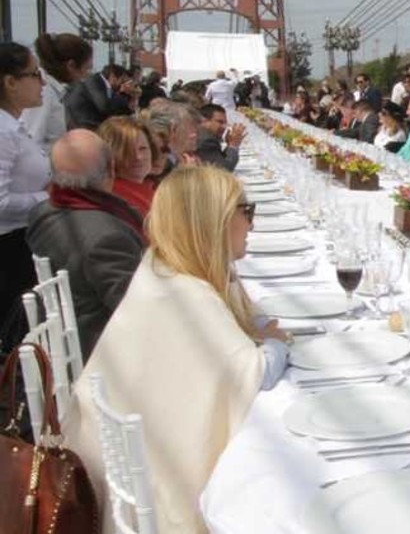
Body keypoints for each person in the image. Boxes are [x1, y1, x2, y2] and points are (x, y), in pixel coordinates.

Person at [63, 165, 289, 532]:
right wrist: (277, 346)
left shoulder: (164, 268)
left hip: (126, 470)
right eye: (245, 211)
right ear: (211, 222)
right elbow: (252, 375)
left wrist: (260, 328)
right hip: (160, 492)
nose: (252, 224)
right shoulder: (186, 296)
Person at [26, 130, 146, 358]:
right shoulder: (108, 236)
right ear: (111, 169)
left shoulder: (41, 213)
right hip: (99, 350)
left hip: (58, 334)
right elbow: (134, 307)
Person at [0, 42, 52, 350]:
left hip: (20, 242)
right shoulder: (4, 133)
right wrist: (46, 198)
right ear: (10, 82)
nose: (42, 82)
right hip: (8, 249)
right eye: (35, 74)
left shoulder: (13, 128)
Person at [23, 32, 93, 152]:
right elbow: (31, 141)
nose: (86, 75)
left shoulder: (53, 92)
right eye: (86, 68)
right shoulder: (44, 93)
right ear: (71, 65)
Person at [97, 116, 157, 216]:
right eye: (127, 150)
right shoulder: (114, 196)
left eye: (143, 148)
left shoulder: (150, 187)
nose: (138, 157)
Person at [64, 63, 133, 131]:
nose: (122, 83)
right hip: (84, 126)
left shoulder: (105, 86)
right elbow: (104, 105)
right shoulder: (95, 81)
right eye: (121, 79)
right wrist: (121, 94)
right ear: (113, 77)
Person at [196, 104, 246, 171]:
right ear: (205, 121)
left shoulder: (205, 135)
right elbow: (224, 169)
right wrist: (233, 145)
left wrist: (229, 145)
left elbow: (219, 160)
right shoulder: (206, 141)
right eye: (220, 122)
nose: (224, 127)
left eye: (225, 123)